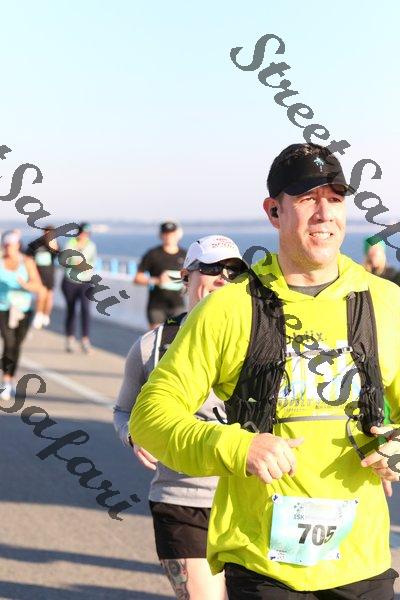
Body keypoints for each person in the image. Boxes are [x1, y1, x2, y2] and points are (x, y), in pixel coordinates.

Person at [130, 143, 400, 599]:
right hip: (262, 563)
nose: (324, 214)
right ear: (274, 211)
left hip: (362, 561)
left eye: (335, 199)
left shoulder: (386, 302)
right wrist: (237, 446)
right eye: (308, 198)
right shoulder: (229, 308)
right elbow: (150, 417)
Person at [116, 235, 247, 599]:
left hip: (251, 503)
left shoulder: (262, 341)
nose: (223, 278)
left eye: (233, 271)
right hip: (183, 502)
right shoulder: (153, 345)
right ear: (186, 277)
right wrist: (133, 434)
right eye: (211, 268)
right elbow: (123, 410)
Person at [0, 230, 42, 400]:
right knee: (8, 342)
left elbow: (38, 286)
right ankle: (6, 381)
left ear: (18, 245)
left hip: (23, 310)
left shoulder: (27, 261)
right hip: (4, 308)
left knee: (16, 345)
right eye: (6, 245)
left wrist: (25, 285)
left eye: (12, 245)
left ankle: (11, 379)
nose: (9, 248)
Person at [134, 221, 186, 329]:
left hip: (178, 305)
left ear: (178, 234)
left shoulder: (185, 255)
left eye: (171, 233)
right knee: (156, 337)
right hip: (156, 305)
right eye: (165, 233)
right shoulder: (153, 254)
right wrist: (157, 281)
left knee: (176, 337)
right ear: (161, 235)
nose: (169, 236)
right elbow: (137, 278)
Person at [61, 222, 97, 353]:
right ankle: (70, 338)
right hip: (70, 281)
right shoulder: (70, 244)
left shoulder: (91, 245)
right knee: (71, 310)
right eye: (83, 232)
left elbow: (92, 262)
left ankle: (85, 340)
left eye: (87, 233)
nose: (85, 235)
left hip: (86, 282)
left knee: (85, 310)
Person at [26, 225, 59, 329]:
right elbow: (28, 256)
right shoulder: (36, 244)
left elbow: (57, 256)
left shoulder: (53, 244)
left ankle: (45, 315)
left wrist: (54, 248)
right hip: (39, 274)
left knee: (49, 298)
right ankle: (39, 315)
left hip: (49, 275)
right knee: (41, 296)